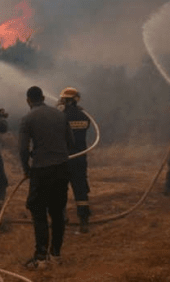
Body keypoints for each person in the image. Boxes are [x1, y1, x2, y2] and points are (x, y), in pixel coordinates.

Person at [19, 86, 73, 269]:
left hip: (41, 171)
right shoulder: (60, 115)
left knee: (39, 212)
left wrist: (26, 169)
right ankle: (55, 255)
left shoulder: (27, 119)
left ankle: (41, 258)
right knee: (58, 212)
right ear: (43, 97)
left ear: (28, 101)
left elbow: (23, 149)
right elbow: (71, 142)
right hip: (62, 168)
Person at [58, 87, 92, 233]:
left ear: (65, 100)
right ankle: (83, 222)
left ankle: (61, 219)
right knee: (81, 191)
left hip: (63, 159)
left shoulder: (60, 116)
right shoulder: (84, 116)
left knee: (60, 189)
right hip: (80, 159)